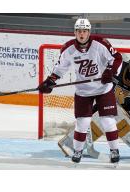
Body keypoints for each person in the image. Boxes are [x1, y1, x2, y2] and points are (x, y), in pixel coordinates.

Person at [38, 18, 123, 164]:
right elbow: (60, 68)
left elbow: (117, 58)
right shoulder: (68, 49)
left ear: (89, 32)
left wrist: (110, 71)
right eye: (79, 31)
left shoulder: (100, 43)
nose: (82, 34)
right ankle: (78, 152)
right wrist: (50, 81)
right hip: (83, 91)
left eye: (84, 31)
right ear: (75, 32)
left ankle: (114, 150)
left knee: (107, 120)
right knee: (82, 123)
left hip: (103, 89)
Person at [58, 53, 130, 160]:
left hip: (126, 108)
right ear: (129, 65)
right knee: (86, 120)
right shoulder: (118, 68)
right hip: (105, 103)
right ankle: (72, 144)